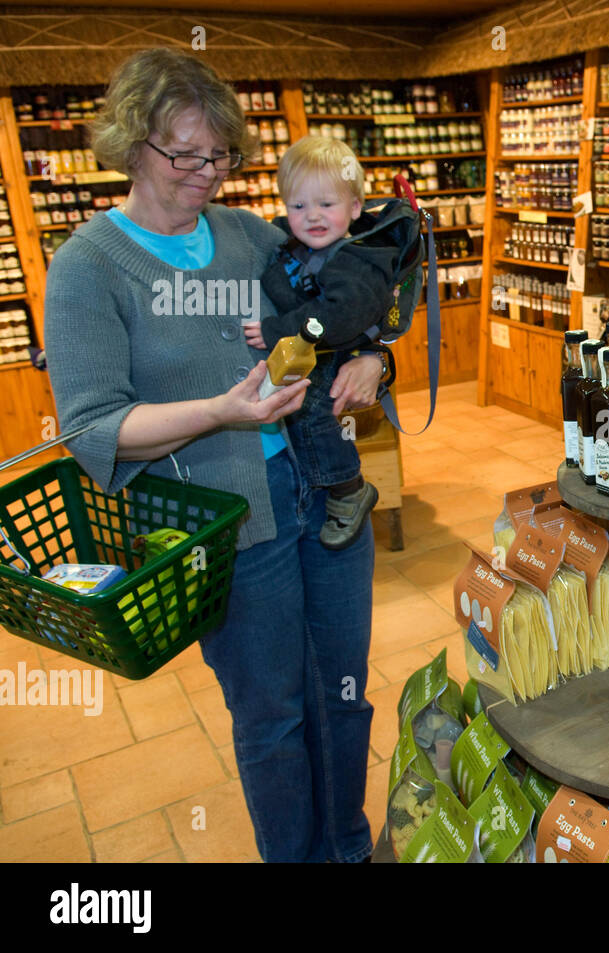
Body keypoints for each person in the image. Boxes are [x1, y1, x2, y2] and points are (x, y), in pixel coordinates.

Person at [42, 48, 384, 863]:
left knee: (342, 694)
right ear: (130, 146)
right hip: (227, 518)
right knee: (273, 714)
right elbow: (91, 427)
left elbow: (339, 308)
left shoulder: (248, 233)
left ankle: (349, 846)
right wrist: (220, 412)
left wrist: (376, 356)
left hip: (327, 492)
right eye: (184, 155)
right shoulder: (88, 266)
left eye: (220, 155)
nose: (207, 173)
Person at [243, 135, 403, 550]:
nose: (311, 216)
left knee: (313, 414)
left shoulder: (355, 260)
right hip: (319, 352)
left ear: (354, 208)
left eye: (326, 205)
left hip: (335, 352)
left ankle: (347, 489)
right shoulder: (296, 244)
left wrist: (279, 329)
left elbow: (337, 316)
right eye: (298, 206)